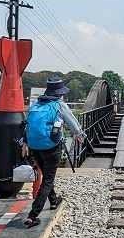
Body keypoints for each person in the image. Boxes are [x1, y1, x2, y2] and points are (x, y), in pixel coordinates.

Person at [22, 78, 85, 228]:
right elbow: (73, 123)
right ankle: (33, 215)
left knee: (46, 175)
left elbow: (27, 125)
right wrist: (80, 135)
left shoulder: (36, 104)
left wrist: (25, 142)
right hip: (51, 146)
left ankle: (54, 200)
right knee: (48, 179)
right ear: (60, 93)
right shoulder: (59, 105)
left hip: (35, 146)